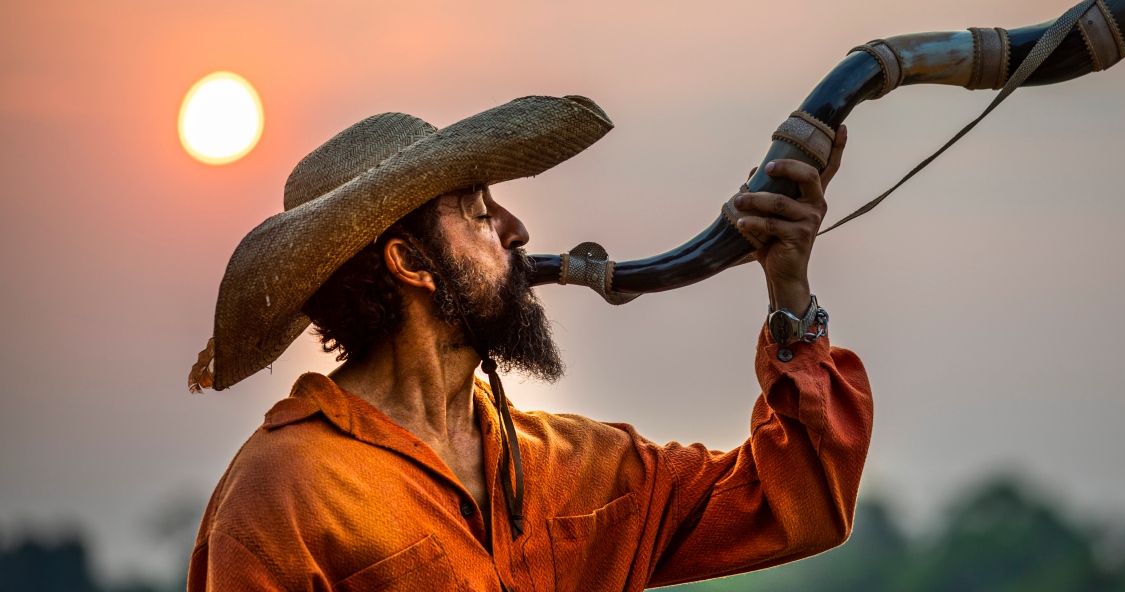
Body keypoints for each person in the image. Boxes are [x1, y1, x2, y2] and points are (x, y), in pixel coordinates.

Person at [185, 95, 873, 591]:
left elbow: (798, 502)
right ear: (410, 263)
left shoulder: (573, 467)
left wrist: (790, 293)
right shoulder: (282, 494)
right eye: (481, 213)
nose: (515, 231)